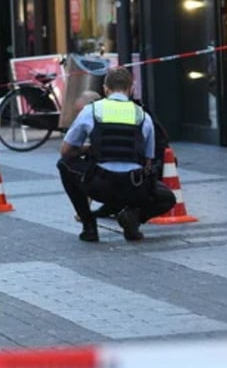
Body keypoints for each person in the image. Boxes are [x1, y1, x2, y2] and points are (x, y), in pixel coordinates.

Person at [57, 67, 176, 242]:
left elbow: (66, 150)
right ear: (131, 88)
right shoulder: (142, 115)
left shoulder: (91, 111)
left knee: (64, 164)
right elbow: (148, 162)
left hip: (99, 185)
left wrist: (88, 149)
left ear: (105, 89)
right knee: (168, 198)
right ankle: (133, 217)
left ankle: (89, 226)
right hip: (133, 187)